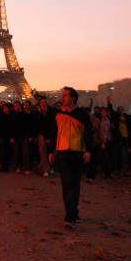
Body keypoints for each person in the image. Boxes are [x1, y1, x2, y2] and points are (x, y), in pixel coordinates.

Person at [48, 86, 92, 229]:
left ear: (73, 98)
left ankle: (74, 211)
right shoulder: (57, 114)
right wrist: (51, 151)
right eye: (63, 95)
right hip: (62, 153)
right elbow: (53, 134)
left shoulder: (82, 114)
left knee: (75, 185)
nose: (63, 97)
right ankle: (70, 217)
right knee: (67, 185)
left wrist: (88, 150)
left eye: (66, 95)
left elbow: (88, 134)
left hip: (78, 152)